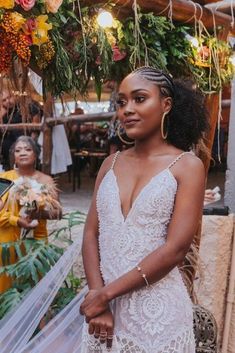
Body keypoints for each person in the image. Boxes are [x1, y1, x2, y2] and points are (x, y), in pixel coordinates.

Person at [79, 67, 208, 352]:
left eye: (139, 99)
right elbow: (90, 234)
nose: (127, 110)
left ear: (166, 105)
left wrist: (104, 294)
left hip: (157, 314)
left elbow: (175, 249)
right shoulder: (109, 163)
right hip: (103, 316)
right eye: (121, 102)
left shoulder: (187, 166)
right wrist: (97, 299)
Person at [0, 135, 62, 293]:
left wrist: (37, 213)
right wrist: (16, 220)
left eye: (28, 149)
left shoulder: (46, 180)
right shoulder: (4, 178)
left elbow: (58, 212)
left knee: (35, 283)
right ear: (13, 155)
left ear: (35, 155)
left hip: (36, 240)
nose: (22, 153)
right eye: (18, 150)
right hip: (7, 240)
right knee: (6, 285)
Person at [0, 89, 42, 170]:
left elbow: (36, 120)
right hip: (9, 154)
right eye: (4, 100)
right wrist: (2, 113)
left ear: (14, 96)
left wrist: (32, 140)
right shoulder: (4, 113)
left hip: (27, 146)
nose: (8, 101)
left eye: (9, 97)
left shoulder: (26, 106)